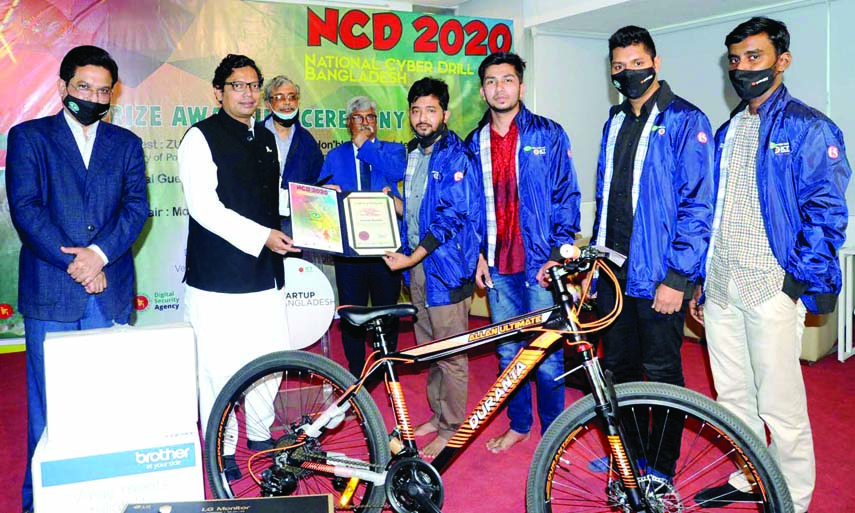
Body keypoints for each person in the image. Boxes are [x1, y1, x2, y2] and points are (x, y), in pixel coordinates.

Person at [690, 17, 850, 512]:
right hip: (721, 287)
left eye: (754, 57)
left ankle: (793, 499)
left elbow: (826, 214)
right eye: (735, 60)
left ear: (782, 60)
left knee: (780, 405)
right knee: (732, 398)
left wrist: (796, 283)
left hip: (771, 287)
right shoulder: (727, 129)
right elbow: (711, 211)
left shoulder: (809, 127)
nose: (743, 69)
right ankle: (748, 476)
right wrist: (701, 280)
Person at [6, 45, 149, 513]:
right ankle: (39, 504)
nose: (93, 95)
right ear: (64, 86)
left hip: (109, 291)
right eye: (84, 86)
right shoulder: (29, 137)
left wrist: (100, 256)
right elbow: (26, 209)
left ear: (114, 93)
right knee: (49, 409)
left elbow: (135, 209)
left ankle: (106, 500)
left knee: (108, 406)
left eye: (103, 89)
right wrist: (80, 264)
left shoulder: (126, 144)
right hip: (53, 290)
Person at [589, 26, 714, 478]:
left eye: (637, 64)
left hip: (660, 276)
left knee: (661, 374)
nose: (629, 74)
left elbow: (699, 205)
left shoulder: (687, 120)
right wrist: (593, 262)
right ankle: (631, 455)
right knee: (618, 368)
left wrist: (679, 278)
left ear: (656, 64)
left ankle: (660, 465)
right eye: (619, 67)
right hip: (612, 275)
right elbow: (607, 200)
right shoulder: (614, 120)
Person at [178, 54, 298, 468]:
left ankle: (260, 433)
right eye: (237, 85)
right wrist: (262, 236)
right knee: (219, 367)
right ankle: (222, 444)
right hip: (218, 278)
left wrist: (313, 215)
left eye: (253, 86)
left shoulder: (265, 138)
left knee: (271, 357)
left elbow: (270, 199)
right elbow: (204, 208)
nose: (247, 94)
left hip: (265, 274)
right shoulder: (199, 138)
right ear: (218, 92)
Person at [465, 51, 581, 453]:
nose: (500, 88)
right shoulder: (473, 142)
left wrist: (557, 254)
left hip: (539, 266)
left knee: (547, 357)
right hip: (497, 266)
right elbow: (469, 208)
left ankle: (555, 435)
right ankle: (518, 424)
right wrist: (477, 255)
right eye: (492, 81)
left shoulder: (548, 134)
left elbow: (568, 197)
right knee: (509, 354)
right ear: (483, 91)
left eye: (508, 80)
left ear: (521, 86)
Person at [383, 77, 482, 458]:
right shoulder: (413, 153)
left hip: (446, 267)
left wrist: (412, 256)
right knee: (429, 346)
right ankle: (438, 415)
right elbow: (414, 209)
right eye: (416, 110)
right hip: (418, 268)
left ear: (445, 114)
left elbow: (450, 216)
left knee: (452, 353)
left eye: (430, 110)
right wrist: (385, 205)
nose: (422, 118)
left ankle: (452, 428)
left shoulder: (456, 155)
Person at [320, 96, 407, 377]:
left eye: (371, 117)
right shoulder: (335, 156)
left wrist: (364, 147)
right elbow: (320, 196)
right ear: (348, 123)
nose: (365, 123)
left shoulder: (392, 151)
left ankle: (387, 364)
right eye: (359, 117)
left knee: (387, 312)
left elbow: (397, 172)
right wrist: (327, 195)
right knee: (351, 314)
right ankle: (355, 370)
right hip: (349, 253)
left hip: (386, 251)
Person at [259, 75, 324, 234]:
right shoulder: (255, 136)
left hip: (296, 226)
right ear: (268, 104)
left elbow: (317, 184)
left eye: (292, 97)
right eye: (279, 97)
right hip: (259, 224)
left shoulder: (307, 142)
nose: (287, 102)